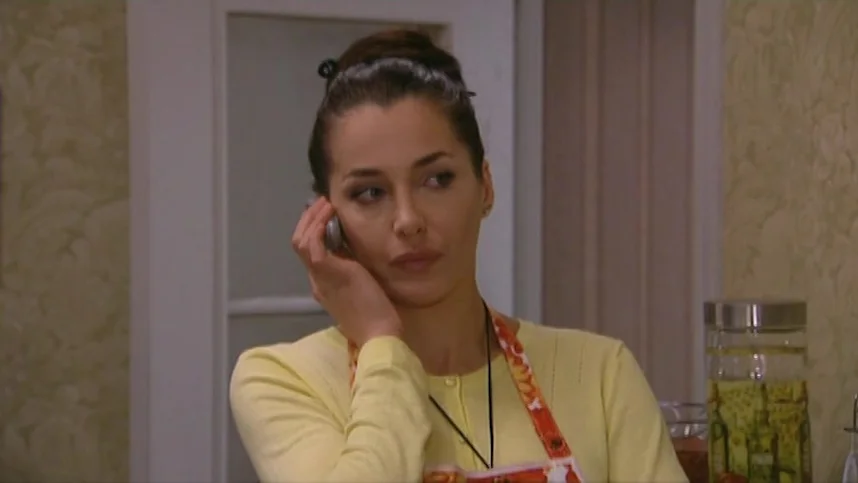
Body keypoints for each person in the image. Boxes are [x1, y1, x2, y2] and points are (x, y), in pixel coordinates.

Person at [229, 29, 687, 483]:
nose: (408, 220)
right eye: (370, 192)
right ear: (326, 220)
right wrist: (381, 340)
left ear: (485, 186)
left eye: (436, 180)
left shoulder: (600, 374)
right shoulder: (284, 380)